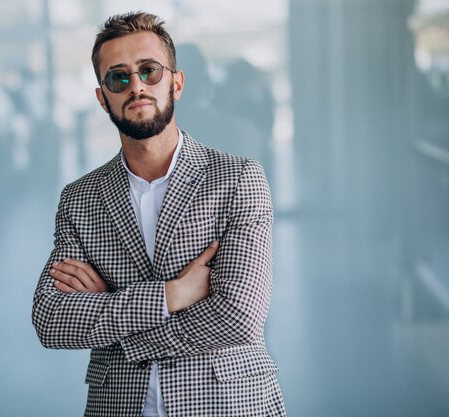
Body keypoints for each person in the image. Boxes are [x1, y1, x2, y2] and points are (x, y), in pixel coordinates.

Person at [32, 11, 286, 417]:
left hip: (226, 404)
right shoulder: (79, 199)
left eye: (149, 71)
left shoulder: (237, 179)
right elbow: (51, 319)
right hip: (118, 406)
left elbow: (239, 316)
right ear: (102, 97)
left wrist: (114, 317)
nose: (136, 86)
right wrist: (174, 294)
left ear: (176, 83)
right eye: (118, 77)